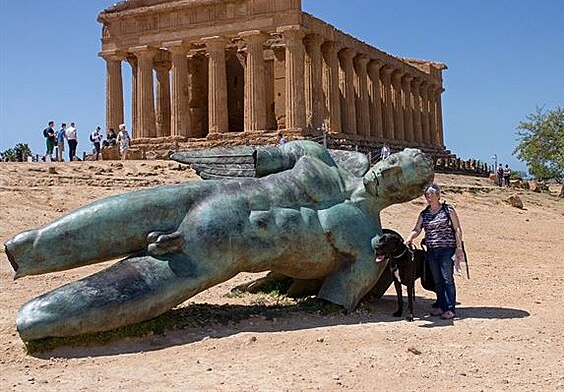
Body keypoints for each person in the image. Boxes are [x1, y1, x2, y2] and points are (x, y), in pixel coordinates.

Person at [4, 141, 434, 340]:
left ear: (405, 196)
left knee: (40, 320)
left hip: (217, 252)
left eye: (398, 181)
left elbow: (332, 300)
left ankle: (42, 321)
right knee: (38, 242)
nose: (387, 174)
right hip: (202, 197)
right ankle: (26, 254)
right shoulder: (321, 158)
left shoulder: (368, 242)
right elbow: (257, 156)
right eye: (392, 163)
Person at [404, 183, 464, 320]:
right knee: (437, 280)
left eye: (432, 195)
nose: (429, 198)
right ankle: (441, 305)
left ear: (438, 196)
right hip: (431, 250)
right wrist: (410, 238)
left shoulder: (448, 210)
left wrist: (458, 247)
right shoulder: (424, 213)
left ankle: (450, 308)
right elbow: (417, 229)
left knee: (447, 278)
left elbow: (457, 229)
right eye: (427, 196)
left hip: (446, 250)